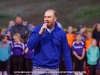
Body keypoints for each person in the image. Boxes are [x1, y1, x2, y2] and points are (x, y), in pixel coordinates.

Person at [27, 9, 72, 75]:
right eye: (45, 17)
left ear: (55, 18)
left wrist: (69, 71)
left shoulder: (61, 33)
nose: (46, 19)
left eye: (49, 17)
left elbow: (66, 53)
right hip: (38, 68)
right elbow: (30, 46)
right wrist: (39, 34)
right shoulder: (36, 29)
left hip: (54, 69)